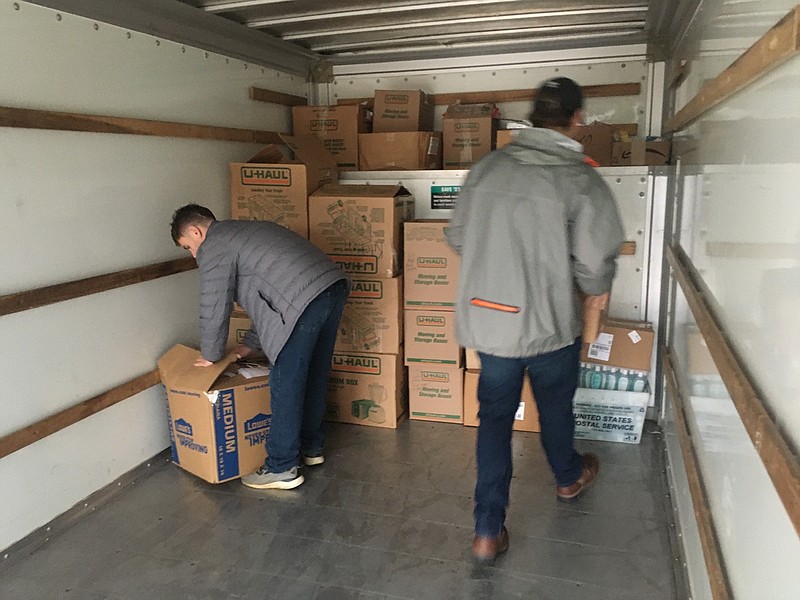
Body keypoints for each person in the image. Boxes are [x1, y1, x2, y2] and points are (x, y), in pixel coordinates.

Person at [445, 77, 624, 563]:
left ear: (532, 116)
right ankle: (567, 478)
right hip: (549, 325)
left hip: (491, 323)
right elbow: (594, 265)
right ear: (577, 119)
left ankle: (486, 531)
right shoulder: (580, 178)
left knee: (494, 420)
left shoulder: (487, 168)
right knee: (555, 408)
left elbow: (458, 237)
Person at [170, 205, 349, 490]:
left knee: (286, 382)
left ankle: (281, 467)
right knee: (313, 373)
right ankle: (311, 448)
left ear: (196, 231)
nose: (194, 255)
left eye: (189, 246)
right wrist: (246, 347)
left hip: (304, 300)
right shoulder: (245, 231)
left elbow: (215, 304)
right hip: (330, 288)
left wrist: (211, 354)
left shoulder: (214, 245)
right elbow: (271, 299)